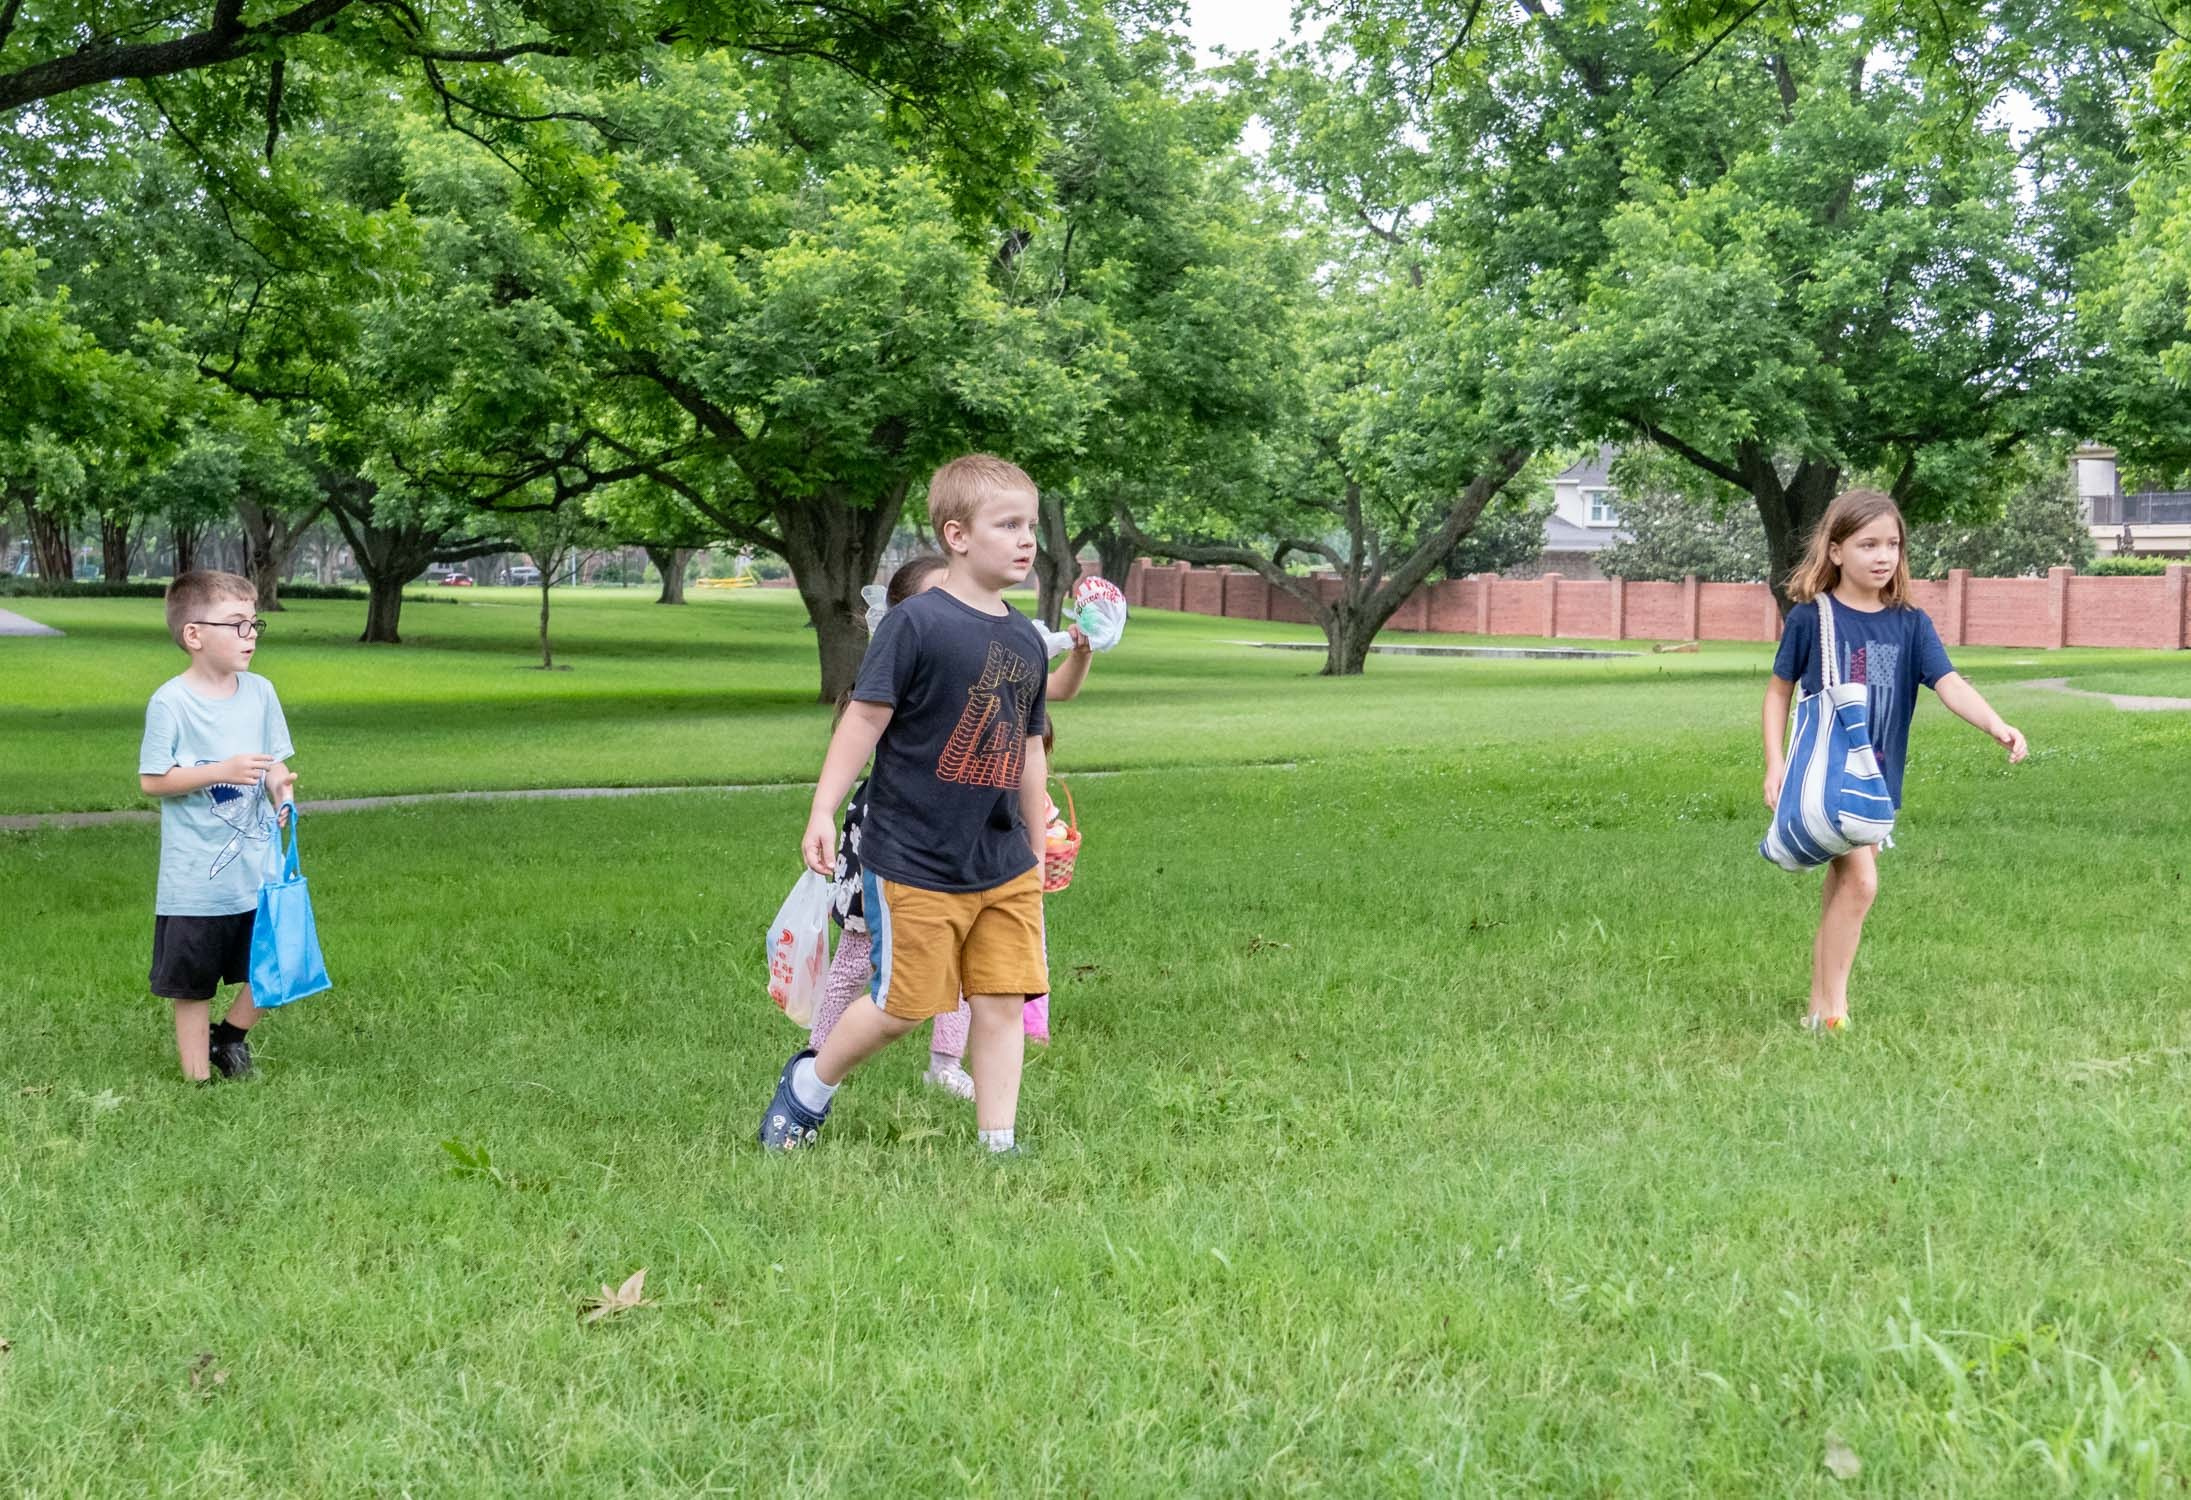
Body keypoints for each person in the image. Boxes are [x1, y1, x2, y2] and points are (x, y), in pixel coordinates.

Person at [760, 455, 1052, 1151]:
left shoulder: (1025, 640)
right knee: (902, 1005)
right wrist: (822, 809)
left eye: (1030, 526)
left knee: (1002, 998)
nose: (1025, 540)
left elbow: (1031, 747)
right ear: (956, 535)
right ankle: (808, 1086)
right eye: (1007, 525)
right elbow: (862, 719)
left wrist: (1035, 852)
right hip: (915, 855)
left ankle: (998, 1144)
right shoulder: (915, 623)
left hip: (1001, 860)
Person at [1762, 489, 2027, 1031]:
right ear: (1835, 551)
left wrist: (1996, 723)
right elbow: (1777, 693)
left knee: (1843, 888)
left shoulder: (1910, 623)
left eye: (1893, 544)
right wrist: (1774, 764)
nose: (1883, 556)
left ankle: (1818, 1003)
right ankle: (1833, 1012)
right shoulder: (1813, 619)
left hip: (1878, 780)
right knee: (1861, 884)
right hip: (1830, 778)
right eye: (1867, 544)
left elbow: (1948, 682)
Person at [138, 570, 298, 1082]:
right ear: (194, 635)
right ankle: (195, 1079)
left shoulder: (261, 692)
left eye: (255, 624)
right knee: (194, 982)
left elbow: (272, 759)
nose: (250, 636)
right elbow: (153, 780)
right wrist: (221, 772)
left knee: (276, 962)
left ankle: (228, 1037)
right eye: (237, 625)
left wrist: (280, 787)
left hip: (257, 869)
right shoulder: (172, 702)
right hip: (195, 881)